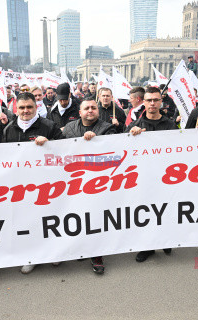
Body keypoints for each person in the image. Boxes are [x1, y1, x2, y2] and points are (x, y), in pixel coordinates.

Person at [1, 92, 64, 274]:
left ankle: (55, 253)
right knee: (29, 221)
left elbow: (65, 152)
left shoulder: (50, 126)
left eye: (29, 107)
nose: (26, 111)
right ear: (16, 109)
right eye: (21, 107)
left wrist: (51, 144)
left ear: (36, 107)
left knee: (51, 220)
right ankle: (33, 256)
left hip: (47, 183)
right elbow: (4, 158)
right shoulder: (9, 129)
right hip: (22, 186)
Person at [62, 97, 117, 274]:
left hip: (98, 182)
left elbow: (114, 153)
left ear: (98, 111)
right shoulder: (69, 128)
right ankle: (81, 247)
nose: (90, 110)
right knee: (77, 216)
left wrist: (96, 142)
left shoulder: (107, 128)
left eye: (94, 107)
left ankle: (97, 255)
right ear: (80, 112)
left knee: (96, 218)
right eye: (86, 108)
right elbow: (60, 149)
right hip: (74, 181)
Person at [126, 86, 177, 262]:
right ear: (144, 102)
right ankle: (147, 247)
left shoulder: (170, 124)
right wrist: (131, 137)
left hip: (166, 177)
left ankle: (166, 240)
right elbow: (124, 150)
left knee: (165, 209)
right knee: (146, 212)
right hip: (143, 178)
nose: (153, 103)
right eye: (149, 100)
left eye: (156, 100)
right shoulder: (135, 126)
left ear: (161, 101)